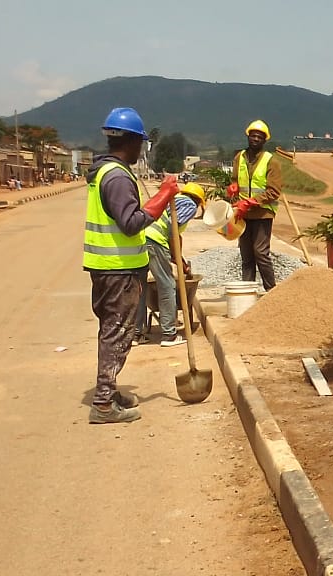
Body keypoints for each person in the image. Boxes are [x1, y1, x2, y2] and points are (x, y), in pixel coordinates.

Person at [83, 107, 179, 424]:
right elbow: (130, 222)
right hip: (118, 269)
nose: (142, 149)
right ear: (133, 141)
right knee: (116, 335)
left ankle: (108, 392)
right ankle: (103, 404)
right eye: (141, 142)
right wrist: (164, 196)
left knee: (112, 332)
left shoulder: (105, 171)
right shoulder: (117, 177)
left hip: (108, 266)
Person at [134, 182, 205, 347]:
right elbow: (174, 227)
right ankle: (169, 334)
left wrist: (178, 258)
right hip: (156, 241)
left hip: (140, 238)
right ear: (198, 200)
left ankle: (136, 334)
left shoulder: (172, 200)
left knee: (140, 288)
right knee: (166, 285)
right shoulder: (189, 204)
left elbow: (177, 236)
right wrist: (176, 256)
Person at [227, 120, 283, 291]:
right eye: (253, 135)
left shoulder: (271, 162)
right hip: (243, 215)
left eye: (260, 137)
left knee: (260, 253)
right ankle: (247, 291)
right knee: (246, 256)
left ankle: (271, 291)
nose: (256, 139)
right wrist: (232, 187)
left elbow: (273, 191)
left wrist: (250, 202)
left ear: (265, 140)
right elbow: (235, 180)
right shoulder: (240, 158)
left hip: (262, 214)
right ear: (248, 136)